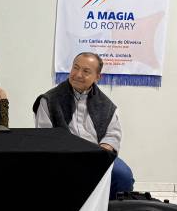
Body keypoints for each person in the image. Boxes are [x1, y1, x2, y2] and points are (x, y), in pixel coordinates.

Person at [33, 52, 133, 199]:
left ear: (97, 77)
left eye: (86, 71)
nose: (78, 74)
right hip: (62, 156)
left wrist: (101, 153)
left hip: (97, 156)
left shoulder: (107, 105)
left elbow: (113, 134)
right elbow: (45, 136)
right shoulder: (49, 100)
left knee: (123, 175)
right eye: (75, 68)